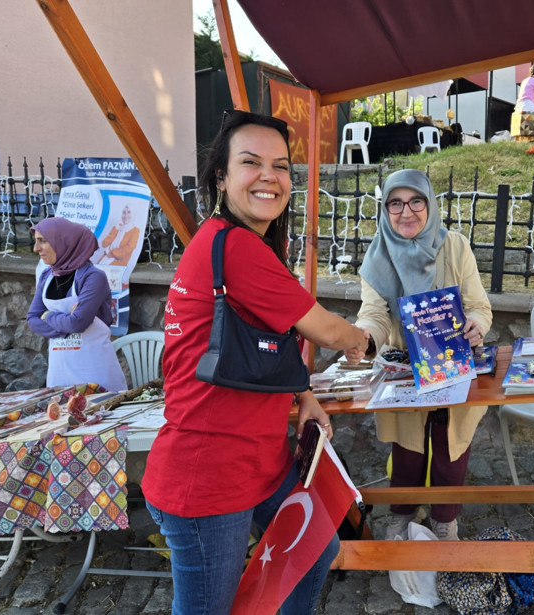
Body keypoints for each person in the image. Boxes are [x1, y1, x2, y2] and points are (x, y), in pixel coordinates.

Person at [141, 111, 368, 615]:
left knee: (314, 552)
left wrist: (305, 396)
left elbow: (268, 343)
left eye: (280, 166)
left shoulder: (242, 243)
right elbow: (328, 331)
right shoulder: (236, 246)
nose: (269, 176)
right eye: (251, 162)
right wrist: (363, 341)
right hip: (209, 474)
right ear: (221, 177)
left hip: (259, 460)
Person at [344, 169, 492, 542]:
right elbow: (374, 314)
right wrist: (365, 338)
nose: (406, 212)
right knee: (407, 450)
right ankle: (403, 513)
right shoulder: (378, 255)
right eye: (395, 203)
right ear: (385, 209)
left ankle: (445, 519)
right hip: (405, 370)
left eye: (415, 201)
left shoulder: (455, 247)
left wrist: (475, 324)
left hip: (452, 363)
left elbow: (478, 305)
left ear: (430, 204)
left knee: (450, 447)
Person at [27, 217, 127, 392]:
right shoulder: (47, 276)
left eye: (42, 241)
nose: (36, 248)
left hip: (95, 372)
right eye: (36, 241)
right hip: (59, 372)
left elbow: (78, 323)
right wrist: (66, 324)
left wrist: (48, 316)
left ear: (63, 242)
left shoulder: (93, 277)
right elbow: (32, 320)